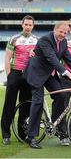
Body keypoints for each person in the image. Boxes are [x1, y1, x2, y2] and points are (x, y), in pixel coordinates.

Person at [24, 21, 71, 149]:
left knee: (61, 95)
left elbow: (68, 58)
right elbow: (52, 58)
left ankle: (55, 125)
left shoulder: (63, 42)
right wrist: (68, 74)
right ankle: (31, 137)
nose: (62, 34)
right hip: (36, 74)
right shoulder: (45, 40)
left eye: (65, 32)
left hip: (48, 74)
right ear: (55, 30)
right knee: (38, 101)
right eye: (60, 32)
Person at [1, 15, 38, 145]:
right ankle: (6, 134)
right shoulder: (14, 39)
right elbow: (7, 58)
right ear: (22, 25)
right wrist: (9, 75)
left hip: (29, 76)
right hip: (15, 74)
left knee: (25, 106)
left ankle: (22, 135)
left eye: (30, 25)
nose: (28, 27)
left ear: (33, 26)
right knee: (9, 105)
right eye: (26, 24)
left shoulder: (36, 40)